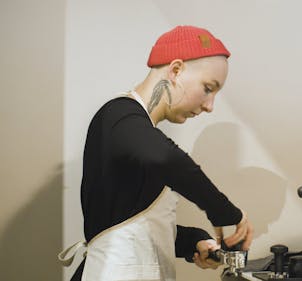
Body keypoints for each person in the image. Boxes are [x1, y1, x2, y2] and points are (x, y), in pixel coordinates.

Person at [59, 25, 254, 281]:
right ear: (175, 70)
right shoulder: (119, 115)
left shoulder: (137, 133)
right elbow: (167, 159)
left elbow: (132, 228)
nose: (209, 106)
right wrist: (225, 212)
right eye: (208, 88)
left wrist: (194, 240)